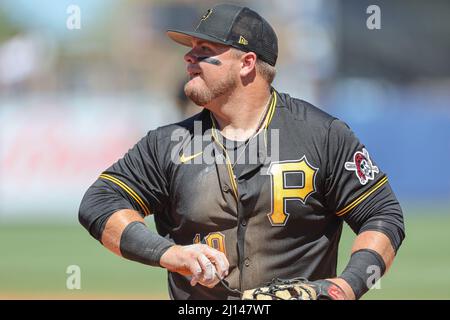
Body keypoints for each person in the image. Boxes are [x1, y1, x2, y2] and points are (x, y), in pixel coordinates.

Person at [79, 3, 405, 300]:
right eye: (190, 49)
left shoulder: (322, 135)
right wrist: (170, 253)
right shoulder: (167, 144)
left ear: (247, 63)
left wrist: (344, 288)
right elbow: (100, 203)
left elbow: (382, 215)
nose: (188, 59)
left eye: (205, 50)